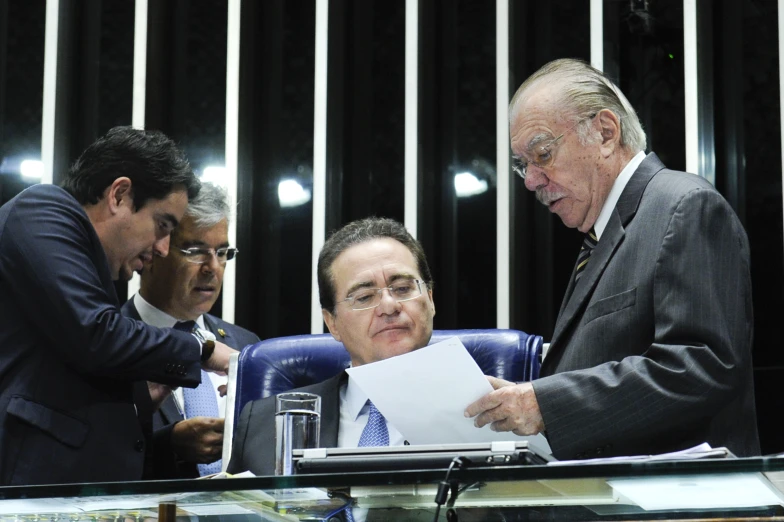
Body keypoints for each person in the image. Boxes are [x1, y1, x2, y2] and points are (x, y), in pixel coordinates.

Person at [465, 58, 759, 459]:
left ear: (605, 132)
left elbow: (700, 366)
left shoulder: (684, 206)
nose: (531, 181)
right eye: (524, 166)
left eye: (543, 154)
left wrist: (546, 404)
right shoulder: (602, 234)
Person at [0, 126, 236, 485]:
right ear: (120, 195)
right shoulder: (42, 210)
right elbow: (96, 335)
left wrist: (138, 401)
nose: (161, 248)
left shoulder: (96, 272)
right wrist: (203, 350)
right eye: (162, 225)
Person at [228, 217, 436, 475]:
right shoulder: (262, 422)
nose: (389, 306)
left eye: (403, 288)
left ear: (430, 298)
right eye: (364, 297)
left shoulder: (489, 411)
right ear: (332, 323)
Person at [123, 182, 260, 479]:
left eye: (222, 252)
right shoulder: (112, 340)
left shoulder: (246, 344)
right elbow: (93, 453)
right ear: (154, 250)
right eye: (196, 252)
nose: (213, 268)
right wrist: (168, 444)